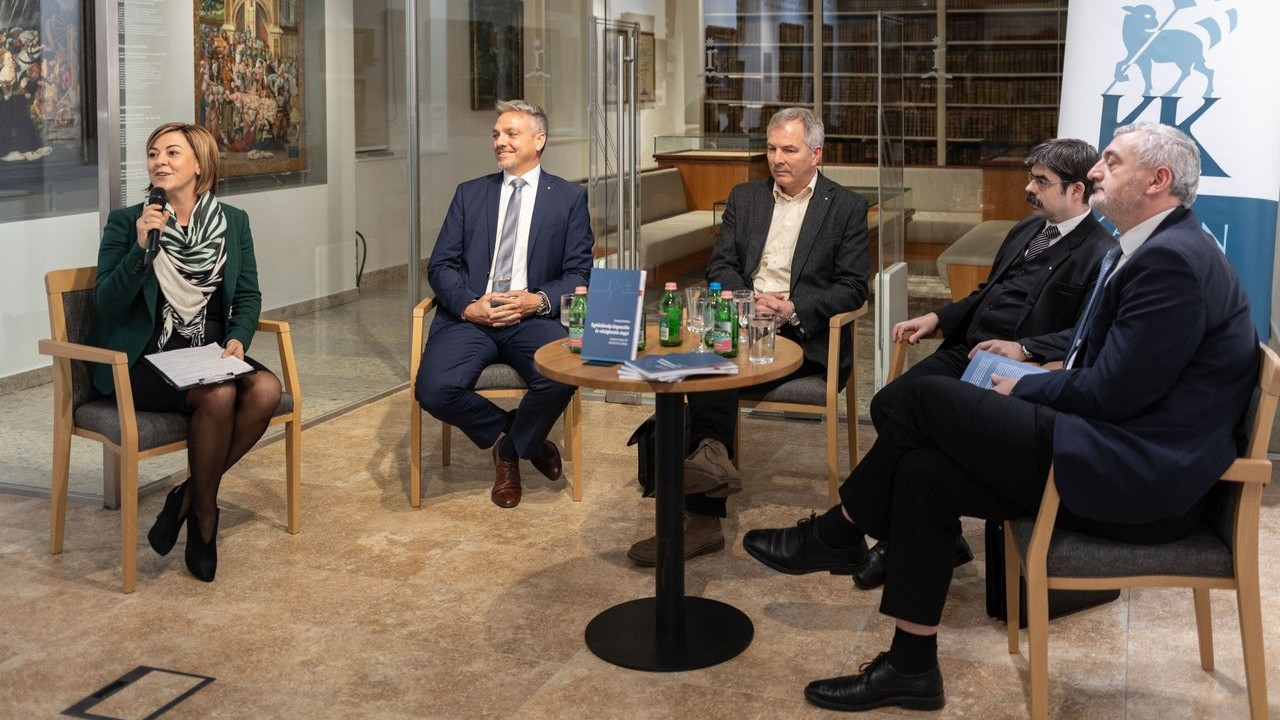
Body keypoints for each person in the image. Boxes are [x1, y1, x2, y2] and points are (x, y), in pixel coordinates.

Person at [740, 122, 1257, 712]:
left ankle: (838, 531)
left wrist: (1027, 386)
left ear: (1158, 180)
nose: (1096, 172)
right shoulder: (1152, 247)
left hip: (1138, 478)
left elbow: (1114, 393)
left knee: (927, 400)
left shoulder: (1170, 262)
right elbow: (1108, 372)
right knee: (924, 473)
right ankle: (911, 667)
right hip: (1109, 445)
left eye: (1112, 163)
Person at [855, 138, 1115, 590]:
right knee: (888, 405)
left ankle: (904, 534)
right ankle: (942, 532)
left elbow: (1088, 334)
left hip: (1015, 373)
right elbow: (986, 294)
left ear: (1077, 190)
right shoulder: (1025, 230)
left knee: (929, 435)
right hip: (967, 351)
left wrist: (1025, 348)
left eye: (1041, 181)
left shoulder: (1102, 252)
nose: (1029, 189)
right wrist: (938, 318)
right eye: (1031, 178)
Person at [626, 107, 871, 566]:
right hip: (741, 323)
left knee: (714, 368)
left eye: (789, 150)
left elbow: (853, 287)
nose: (777, 158)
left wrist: (792, 308)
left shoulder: (846, 207)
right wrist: (745, 301)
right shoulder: (746, 197)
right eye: (772, 148)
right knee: (708, 362)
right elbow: (721, 264)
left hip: (802, 336)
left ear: (816, 154)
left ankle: (702, 495)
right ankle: (710, 471)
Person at [90, 122, 283, 583]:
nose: (160, 161)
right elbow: (106, 303)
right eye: (153, 153)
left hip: (206, 351)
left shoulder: (233, 222)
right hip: (143, 359)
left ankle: (187, 496)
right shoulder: (128, 222)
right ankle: (204, 518)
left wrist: (239, 337)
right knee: (219, 394)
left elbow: (249, 294)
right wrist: (140, 249)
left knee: (266, 390)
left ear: (200, 164)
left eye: (172, 153)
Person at [414, 99, 593, 509]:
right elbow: (441, 265)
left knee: (563, 374)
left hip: (532, 318)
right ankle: (519, 436)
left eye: (511, 133)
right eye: (496, 134)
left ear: (539, 140)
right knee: (433, 389)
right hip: (470, 319)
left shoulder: (568, 198)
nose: (500, 141)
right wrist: (468, 305)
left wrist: (537, 300)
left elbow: (580, 273)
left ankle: (509, 451)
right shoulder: (470, 194)